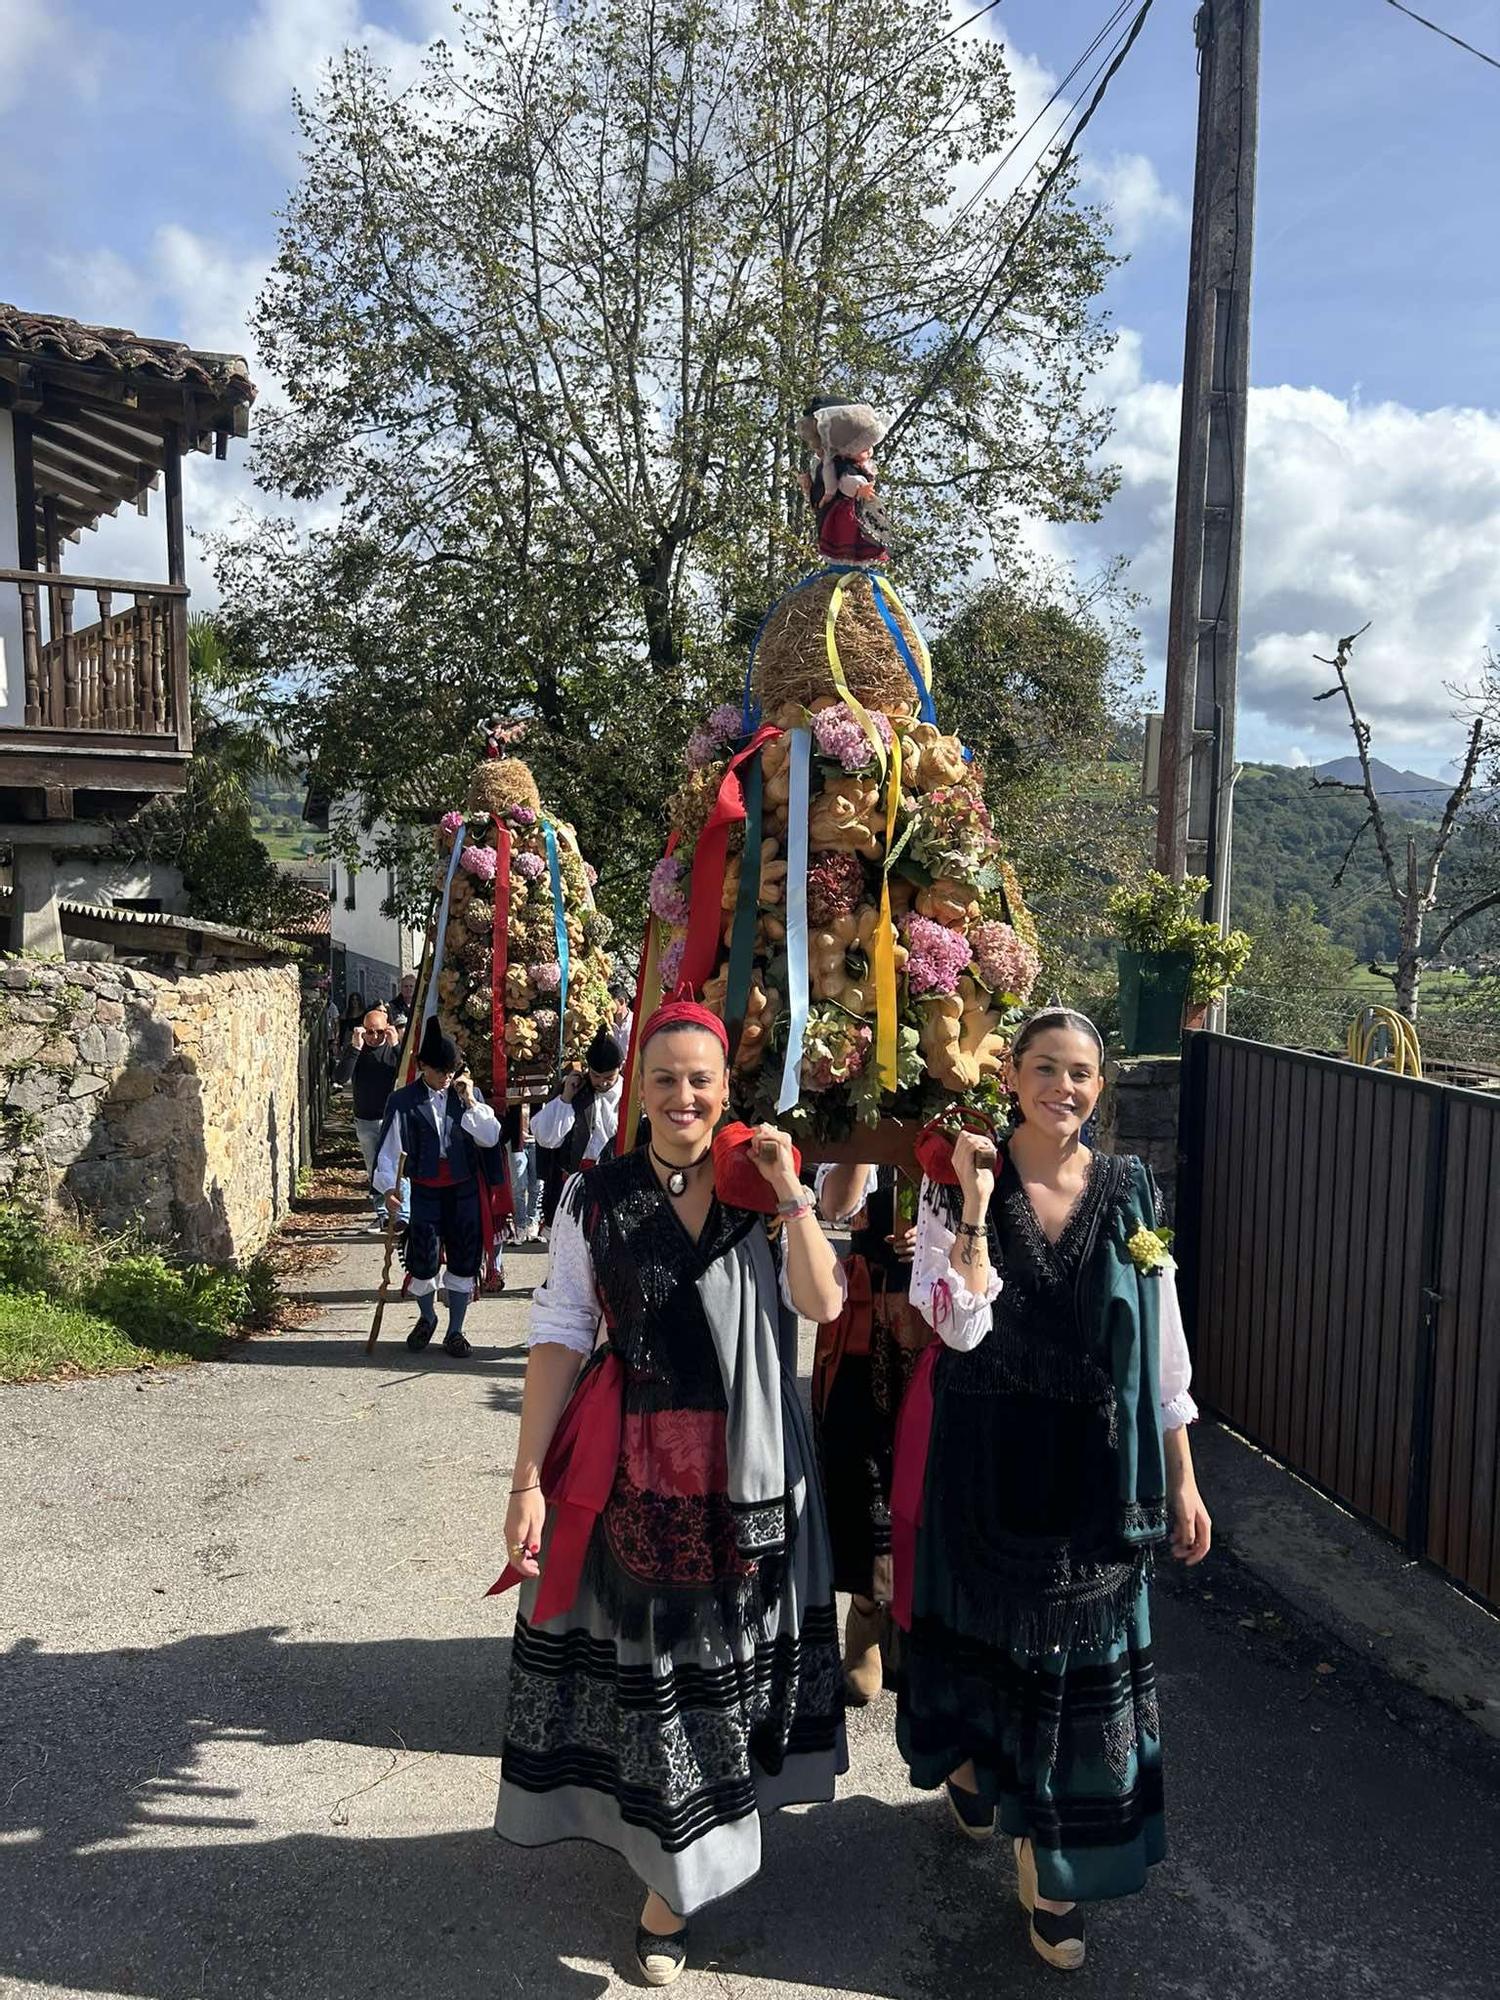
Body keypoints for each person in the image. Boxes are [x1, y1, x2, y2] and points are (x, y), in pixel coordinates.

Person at [495, 1001, 848, 1987]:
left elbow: (824, 1302)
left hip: (749, 1480)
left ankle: (680, 1876)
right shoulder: (592, 1197)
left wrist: (792, 1192)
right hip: (632, 1475)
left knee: (724, 1676)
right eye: (665, 1078)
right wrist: (526, 1480)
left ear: (727, 1089)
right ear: (636, 1090)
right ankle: (673, 1882)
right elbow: (561, 1332)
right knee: (655, 1681)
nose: (683, 1096)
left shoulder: (764, 1189)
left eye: (702, 1079)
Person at [892, 1008, 1210, 1972]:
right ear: (1013, 1076)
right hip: (984, 1460)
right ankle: (981, 1773)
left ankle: (1054, 1869)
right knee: (991, 1643)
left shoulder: (1129, 1188)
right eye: (1043, 1069)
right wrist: (978, 1203)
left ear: (1100, 1088)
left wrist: (1184, 1476)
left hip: (1094, 1472)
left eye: (1079, 1074)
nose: (1061, 1089)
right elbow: (950, 1328)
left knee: (1076, 1664)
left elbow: (1160, 1340)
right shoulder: (952, 1183)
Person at [812, 1161, 928, 1702]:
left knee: (928, 1466)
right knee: (862, 1462)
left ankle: (912, 1618)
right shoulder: (861, 1106)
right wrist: (868, 1142)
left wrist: (934, 1236)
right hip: (868, 1311)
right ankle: (865, 1608)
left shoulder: (965, 1107)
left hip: (938, 1315)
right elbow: (835, 1206)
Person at [373, 1017, 505, 1357]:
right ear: (422, 1067)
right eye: (440, 1071)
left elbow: (490, 1137)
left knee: (463, 1260)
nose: (446, 1078)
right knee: (423, 1260)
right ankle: (427, 1317)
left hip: (463, 1190)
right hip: (425, 1190)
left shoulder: (468, 1096)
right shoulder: (403, 1101)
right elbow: (389, 1148)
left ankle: (456, 1331)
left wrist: (472, 1102)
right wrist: (389, 1188)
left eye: (451, 1071)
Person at [530, 1028, 624, 1226]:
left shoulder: (630, 1095)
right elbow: (546, 1138)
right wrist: (566, 1098)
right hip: (576, 1182)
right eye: (596, 1076)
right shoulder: (575, 1090)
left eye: (609, 1077)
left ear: (620, 1068)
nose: (602, 1083)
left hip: (616, 1182)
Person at [335, 1006, 403, 1229]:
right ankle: (382, 1213)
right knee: (374, 1166)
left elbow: (407, 1073)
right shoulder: (357, 1049)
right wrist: (355, 1048)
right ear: (362, 1031)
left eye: (380, 1032)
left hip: (392, 1118)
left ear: (388, 1030)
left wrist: (395, 1045)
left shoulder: (393, 1050)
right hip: (366, 1118)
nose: (375, 1037)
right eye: (370, 1032)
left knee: (396, 1166)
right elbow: (340, 1077)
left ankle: (401, 1212)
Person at [501, 1096, 541, 1243]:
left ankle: (533, 1221)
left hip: (537, 1140)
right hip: (516, 1141)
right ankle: (520, 1225)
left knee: (536, 1184)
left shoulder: (542, 1086)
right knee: (519, 1185)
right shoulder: (514, 1086)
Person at [607, 979, 634, 1056]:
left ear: (621, 1002)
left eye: (610, 1003)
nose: (607, 1007)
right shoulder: (607, 1023)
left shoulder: (635, 1022)